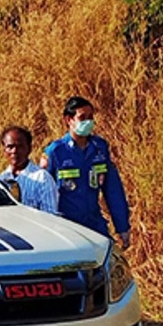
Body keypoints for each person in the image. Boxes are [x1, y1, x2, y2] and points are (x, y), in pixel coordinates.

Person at [43, 96, 131, 248]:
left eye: (90, 117)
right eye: (82, 117)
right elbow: (43, 195)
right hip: (67, 226)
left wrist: (122, 227)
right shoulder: (56, 152)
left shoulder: (100, 148)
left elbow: (113, 190)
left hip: (94, 223)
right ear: (69, 120)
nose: (88, 122)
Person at [0, 126, 58, 213]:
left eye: (20, 146)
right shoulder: (1, 179)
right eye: (10, 147)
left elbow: (50, 215)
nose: (14, 151)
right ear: (4, 150)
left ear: (29, 149)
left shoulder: (42, 178)